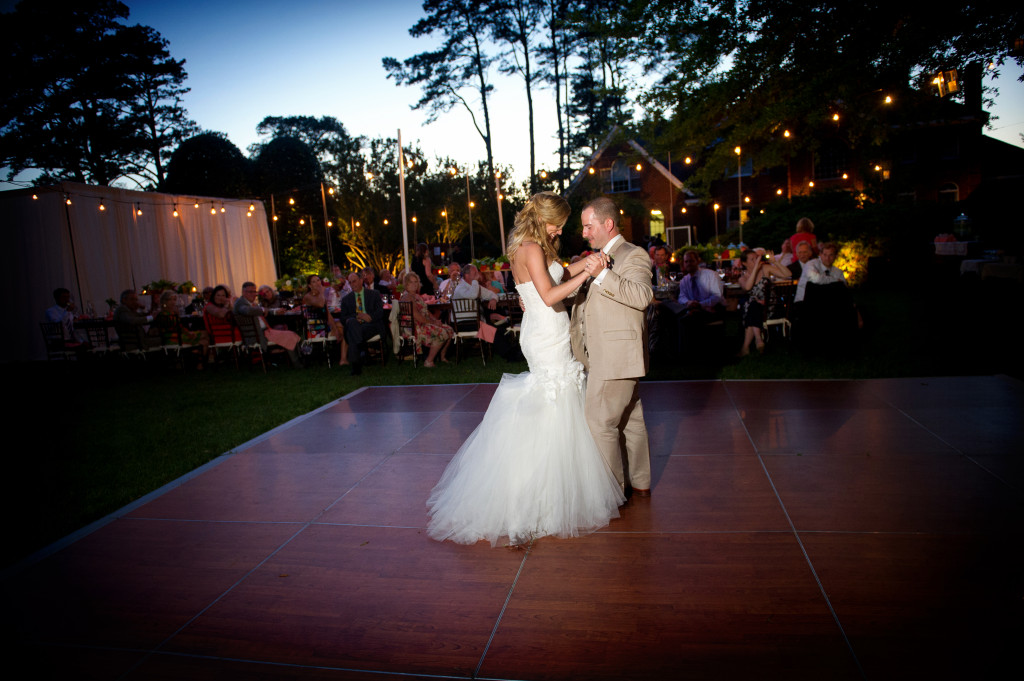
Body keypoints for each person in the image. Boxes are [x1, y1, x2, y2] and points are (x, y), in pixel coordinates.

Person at [427, 192, 624, 546]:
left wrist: (588, 262)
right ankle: (537, 502)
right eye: (559, 223)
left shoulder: (532, 246)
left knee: (553, 404)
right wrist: (588, 275)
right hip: (546, 330)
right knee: (553, 406)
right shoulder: (532, 248)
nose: (561, 229)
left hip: (544, 328)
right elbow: (550, 295)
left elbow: (555, 275)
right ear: (546, 217)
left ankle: (548, 495)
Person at [570, 196, 654, 498]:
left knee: (598, 420)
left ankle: (612, 492)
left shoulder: (633, 255)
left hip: (616, 357)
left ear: (608, 224)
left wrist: (602, 274)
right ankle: (640, 482)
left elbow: (642, 296)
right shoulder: (597, 258)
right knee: (630, 420)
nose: (583, 233)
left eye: (587, 226)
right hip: (609, 355)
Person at [234, 282, 302, 367]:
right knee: (289, 335)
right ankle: (297, 363)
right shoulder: (241, 303)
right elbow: (247, 311)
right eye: (250, 292)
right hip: (257, 335)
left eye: (254, 292)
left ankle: (298, 359)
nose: (253, 294)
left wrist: (272, 311)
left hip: (264, 331)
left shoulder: (250, 303)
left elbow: (265, 310)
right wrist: (262, 310)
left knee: (291, 334)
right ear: (243, 292)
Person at [738, 248, 791, 356]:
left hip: (770, 305)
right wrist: (754, 271)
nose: (756, 261)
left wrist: (775, 262)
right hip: (756, 307)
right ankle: (758, 341)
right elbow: (748, 287)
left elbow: (787, 274)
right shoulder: (742, 278)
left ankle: (747, 346)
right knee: (753, 306)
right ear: (744, 263)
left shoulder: (765, 269)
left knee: (751, 308)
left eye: (756, 258)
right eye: (752, 259)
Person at [399, 272, 453, 367]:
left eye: (416, 282)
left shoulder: (416, 296)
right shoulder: (407, 297)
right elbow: (417, 317)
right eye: (411, 282)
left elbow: (426, 312)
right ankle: (429, 361)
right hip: (415, 327)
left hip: (423, 323)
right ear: (406, 284)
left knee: (449, 330)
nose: (414, 284)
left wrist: (435, 321)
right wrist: (433, 322)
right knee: (442, 333)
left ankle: (442, 357)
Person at [338, 272, 385, 376]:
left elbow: (380, 312)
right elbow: (343, 318)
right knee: (352, 323)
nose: (352, 284)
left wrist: (370, 317)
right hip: (356, 325)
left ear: (361, 280)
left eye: (354, 281)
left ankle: (356, 364)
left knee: (353, 333)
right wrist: (357, 316)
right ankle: (361, 348)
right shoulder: (346, 299)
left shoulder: (374, 294)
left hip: (371, 326)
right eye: (350, 282)